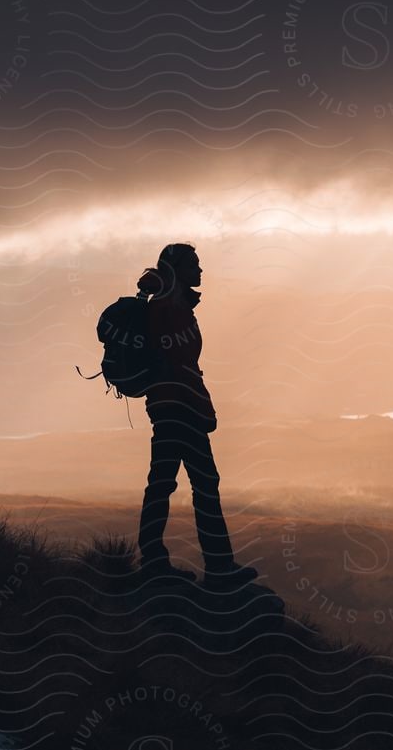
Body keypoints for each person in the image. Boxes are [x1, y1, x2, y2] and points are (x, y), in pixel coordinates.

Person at [134, 242, 259, 590]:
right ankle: (216, 567)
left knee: (168, 482)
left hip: (173, 407)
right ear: (178, 270)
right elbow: (177, 363)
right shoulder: (166, 308)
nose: (201, 272)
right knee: (199, 483)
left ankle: (158, 560)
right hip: (177, 408)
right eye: (194, 266)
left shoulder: (171, 305)